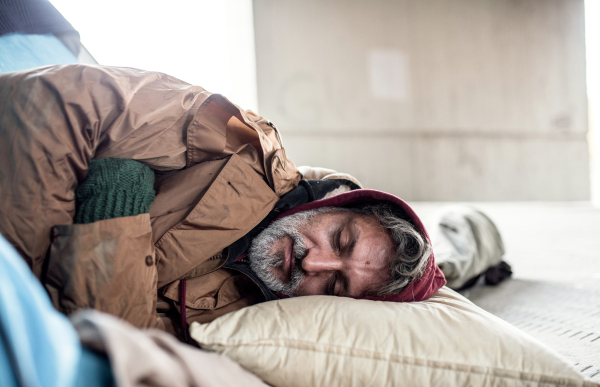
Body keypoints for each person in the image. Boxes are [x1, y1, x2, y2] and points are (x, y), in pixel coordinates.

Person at [0, 64, 506, 341]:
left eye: (334, 283)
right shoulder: (234, 145)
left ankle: (477, 236)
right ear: (335, 201)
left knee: (453, 267)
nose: (316, 261)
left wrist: (112, 212)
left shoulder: (249, 325)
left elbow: (117, 339)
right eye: (340, 238)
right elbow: (49, 103)